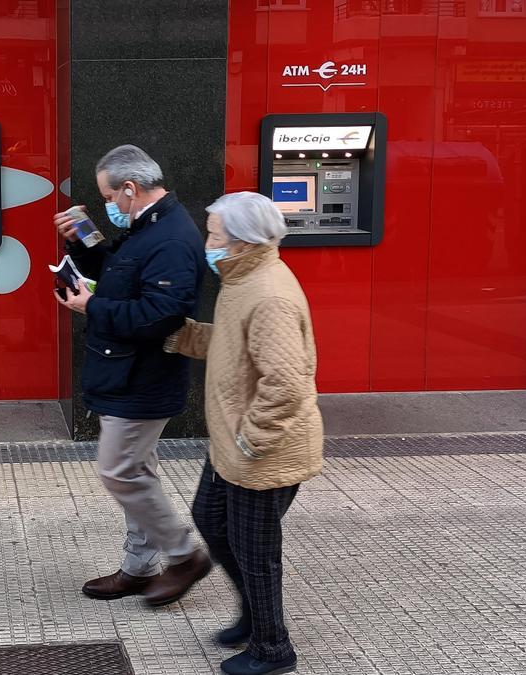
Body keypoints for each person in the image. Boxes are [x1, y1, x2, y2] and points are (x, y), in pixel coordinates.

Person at [166, 191, 322, 675]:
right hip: (232, 444)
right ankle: (254, 618)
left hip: (262, 452)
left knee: (256, 553)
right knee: (211, 521)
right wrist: (183, 335)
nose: (207, 243)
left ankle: (273, 650)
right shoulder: (243, 277)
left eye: (213, 234)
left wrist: (252, 439)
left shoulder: (268, 293)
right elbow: (233, 342)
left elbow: (285, 384)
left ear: (240, 241)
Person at [52, 144, 211, 607]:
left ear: (129, 188)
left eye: (108, 197)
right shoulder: (149, 226)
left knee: (118, 469)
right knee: (137, 471)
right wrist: (82, 239)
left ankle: (184, 556)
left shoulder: (172, 237)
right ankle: (139, 569)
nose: (108, 206)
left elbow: (159, 315)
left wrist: (91, 306)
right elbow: (121, 274)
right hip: (127, 373)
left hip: (143, 379)